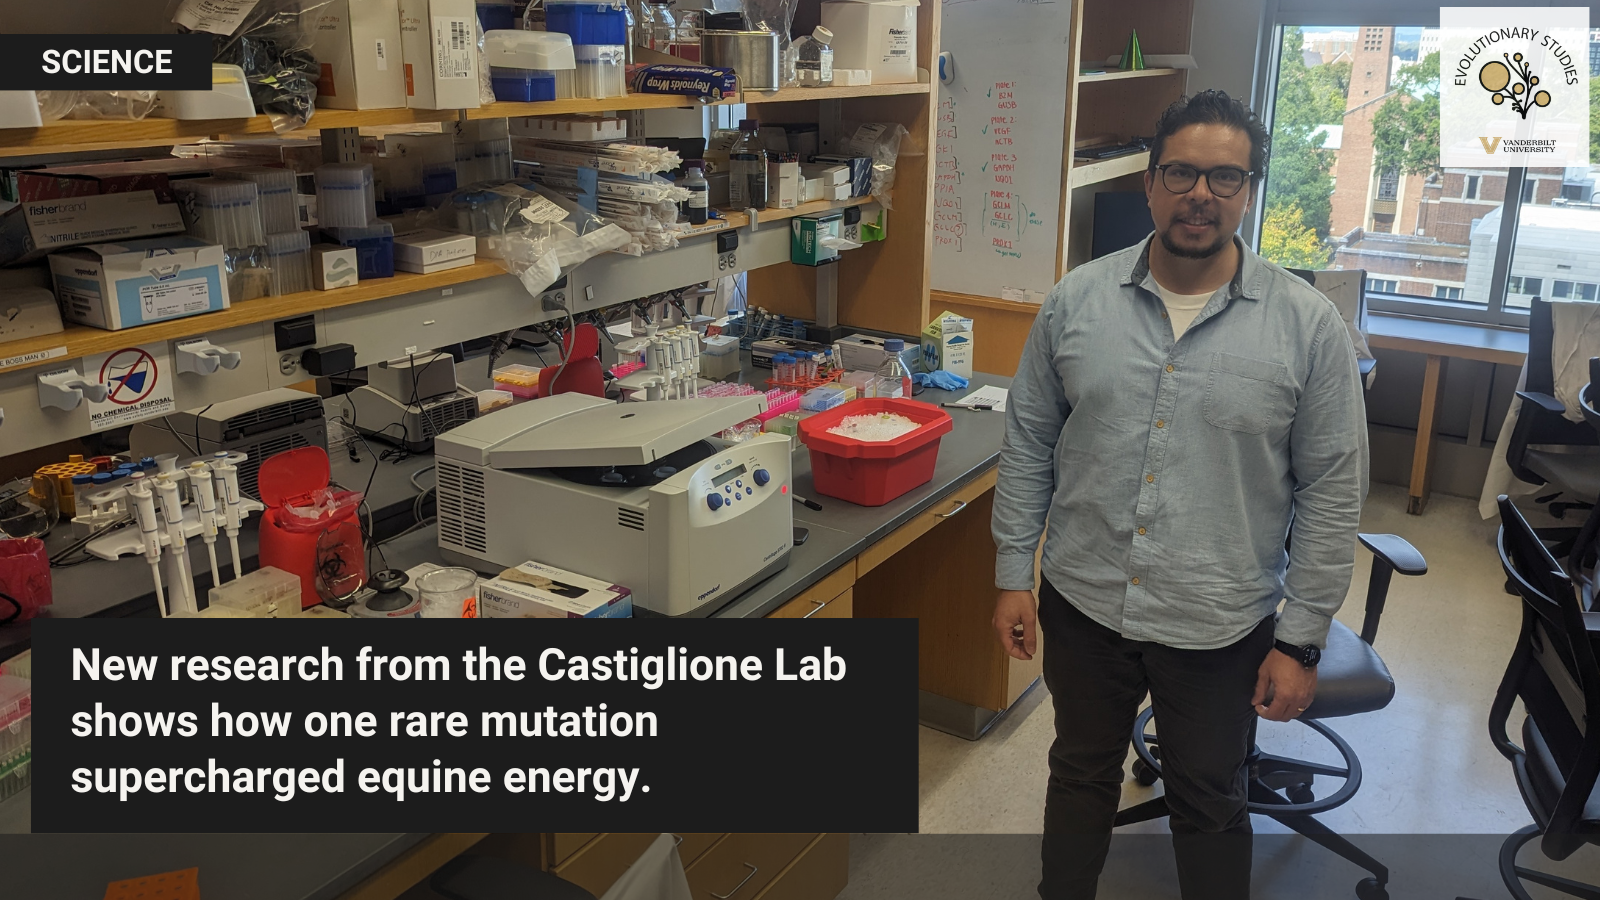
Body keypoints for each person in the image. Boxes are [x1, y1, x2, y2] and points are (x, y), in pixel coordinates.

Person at [990, 89, 1369, 899]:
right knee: (1079, 773)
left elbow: (1333, 494)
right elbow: (1027, 444)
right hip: (1085, 602)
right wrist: (1013, 572)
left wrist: (1301, 641)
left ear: (1249, 190)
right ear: (1151, 183)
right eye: (1181, 173)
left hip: (1219, 622)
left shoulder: (1307, 327)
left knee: (1210, 801)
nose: (1201, 194)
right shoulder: (1075, 302)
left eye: (1225, 177)